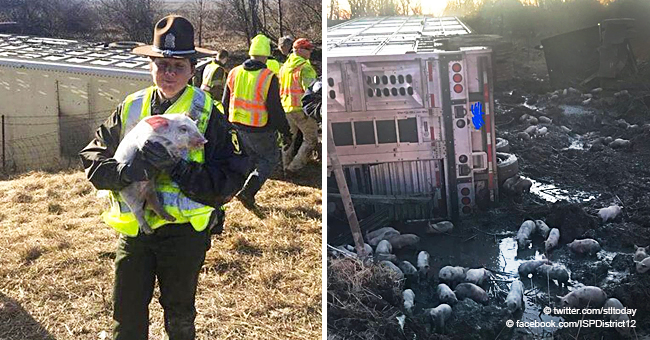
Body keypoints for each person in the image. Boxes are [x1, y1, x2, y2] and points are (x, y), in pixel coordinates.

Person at [79, 15, 249, 340]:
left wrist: (178, 169)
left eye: (178, 66)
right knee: (125, 315)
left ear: (192, 70)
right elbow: (92, 157)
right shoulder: (131, 107)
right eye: (161, 64)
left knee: (179, 314)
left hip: (184, 236)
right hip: (136, 233)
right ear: (150, 65)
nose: (168, 73)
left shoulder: (208, 114)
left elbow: (229, 180)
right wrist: (127, 172)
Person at [222, 34, 291, 210]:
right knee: (269, 159)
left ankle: (238, 189)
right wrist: (285, 131)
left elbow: (225, 102)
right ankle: (247, 192)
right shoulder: (268, 77)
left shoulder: (234, 72)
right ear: (266, 54)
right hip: (260, 128)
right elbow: (275, 109)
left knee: (250, 159)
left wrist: (224, 127)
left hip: (236, 125)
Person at [279, 38, 318, 172]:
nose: (310, 52)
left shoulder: (284, 67)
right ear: (300, 50)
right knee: (311, 140)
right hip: (302, 110)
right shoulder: (305, 68)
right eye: (308, 49)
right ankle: (294, 168)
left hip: (286, 108)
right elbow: (312, 91)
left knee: (289, 139)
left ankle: (285, 166)